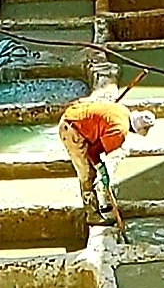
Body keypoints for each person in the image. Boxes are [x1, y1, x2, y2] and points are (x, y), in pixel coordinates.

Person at [58, 92, 155, 229]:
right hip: (73, 130)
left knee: (92, 170)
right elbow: (92, 152)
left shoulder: (122, 110)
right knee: (87, 173)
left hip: (72, 117)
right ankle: (92, 214)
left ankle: (99, 206)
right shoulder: (119, 132)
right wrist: (101, 169)